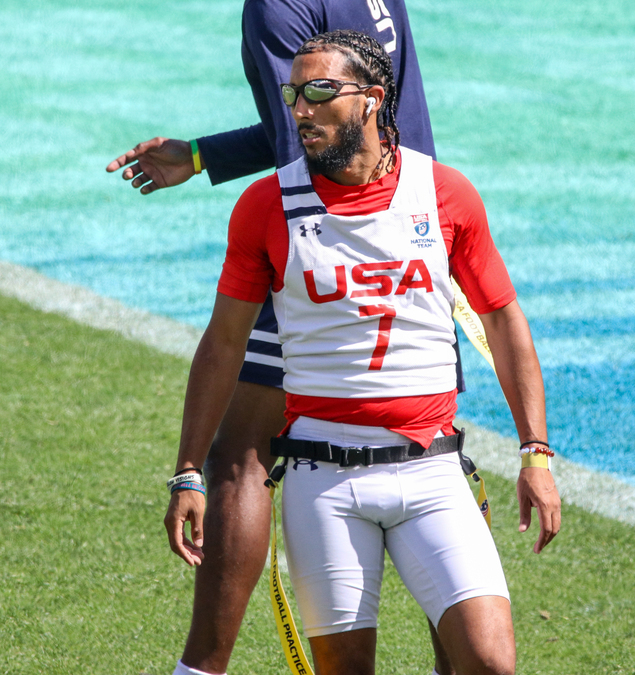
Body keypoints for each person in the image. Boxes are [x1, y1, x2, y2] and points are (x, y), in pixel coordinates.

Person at [165, 30, 561, 675]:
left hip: (433, 470)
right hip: (325, 482)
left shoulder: (446, 193)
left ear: (372, 99)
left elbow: (504, 321)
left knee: (491, 663)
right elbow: (222, 346)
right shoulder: (267, 203)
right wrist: (186, 471)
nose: (300, 110)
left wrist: (535, 453)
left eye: (321, 92)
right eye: (295, 95)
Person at [107, 3, 458, 674]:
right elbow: (360, 114)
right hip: (416, 231)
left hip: (328, 235)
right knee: (433, 447)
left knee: (241, 454)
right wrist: (205, 154)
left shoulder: (279, 6)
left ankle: (199, 670)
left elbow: (308, 137)